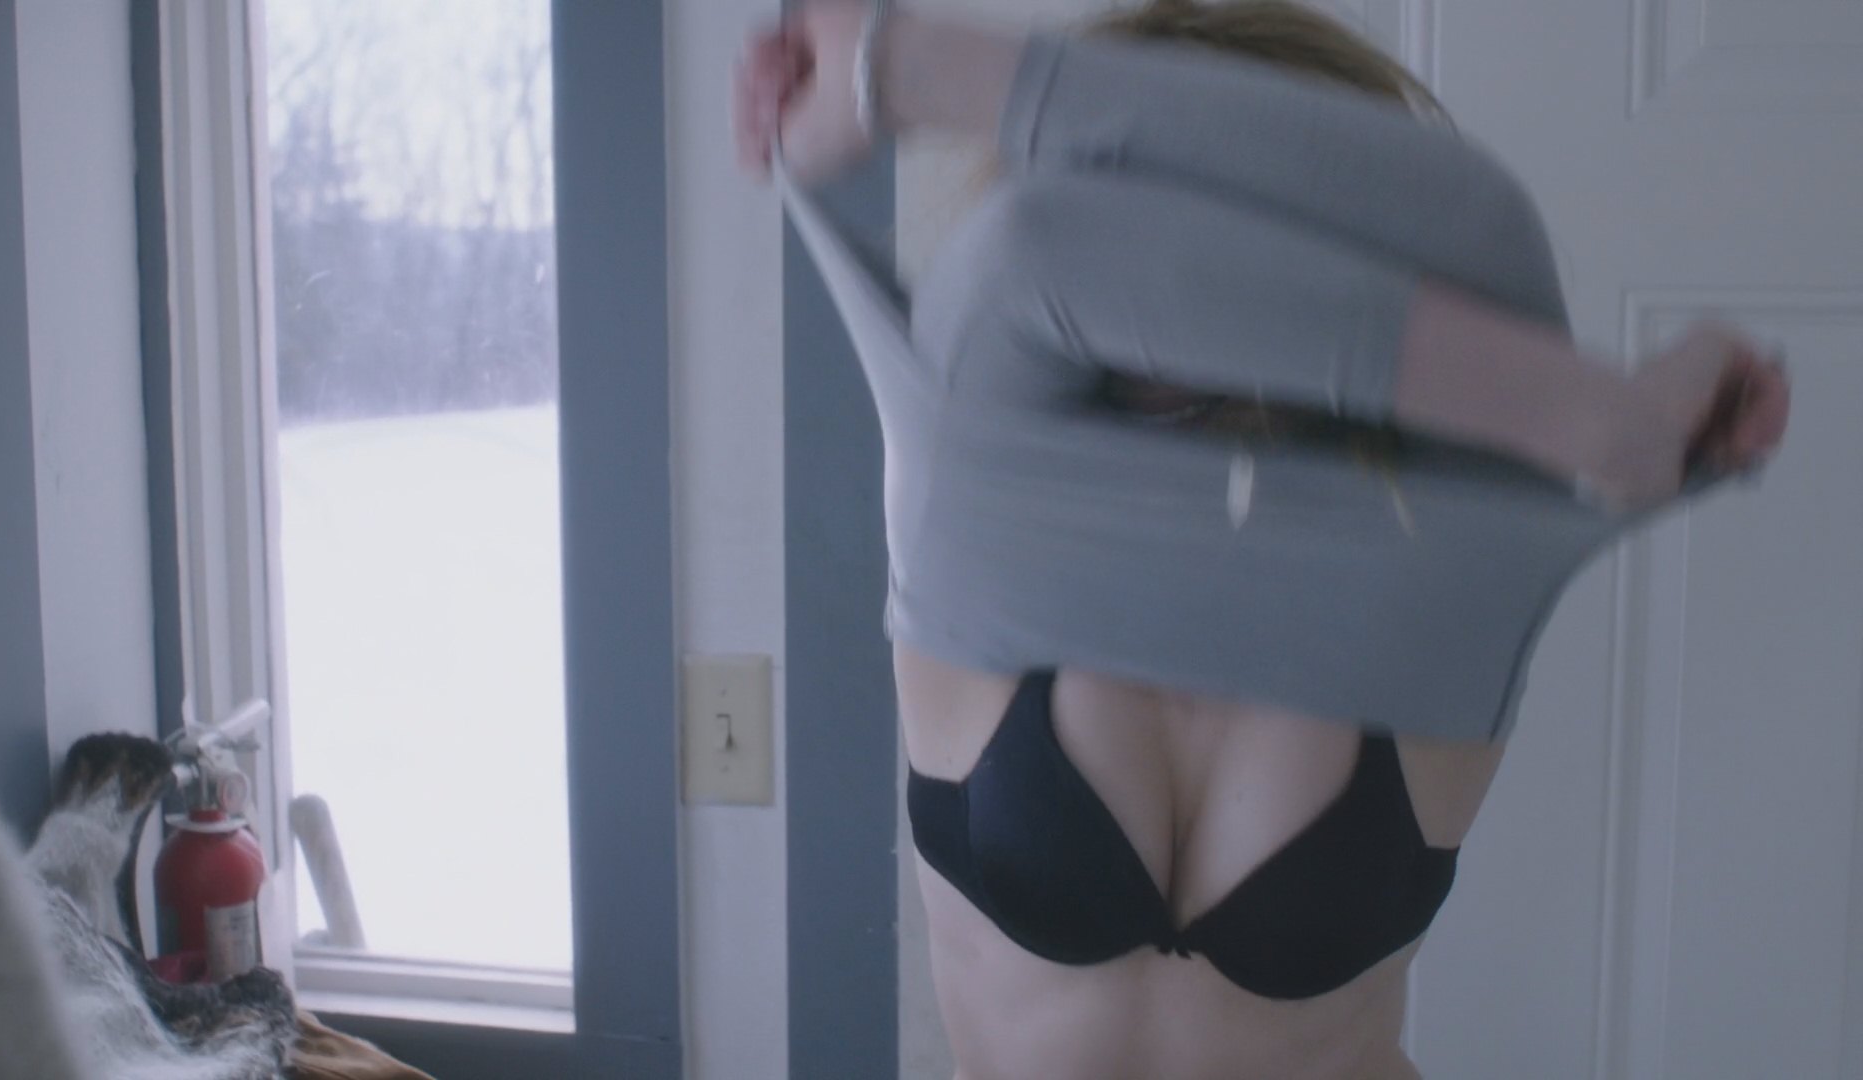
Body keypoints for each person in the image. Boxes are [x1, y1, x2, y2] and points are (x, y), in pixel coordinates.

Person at [733, 2, 1791, 1077]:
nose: (1199, 270)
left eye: (1244, 225)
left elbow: (1482, 227)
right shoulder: (968, 448)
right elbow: (1042, 253)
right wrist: (892, 66)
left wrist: (900, 68)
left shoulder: (1463, 515)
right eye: (1146, 203)